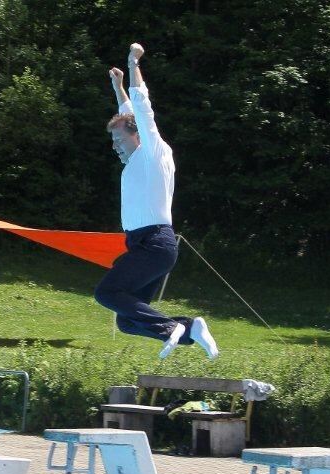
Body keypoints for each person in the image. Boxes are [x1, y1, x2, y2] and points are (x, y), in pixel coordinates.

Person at [94, 43, 219, 360]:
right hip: (145, 247)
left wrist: (133, 65)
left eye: (118, 140)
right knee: (127, 320)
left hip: (155, 243)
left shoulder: (153, 151)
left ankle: (169, 328)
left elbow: (141, 110)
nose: (115, 147)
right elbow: (128, 114)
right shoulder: (138, 156)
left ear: (137, 136)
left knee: (107, 292)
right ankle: (190, 328)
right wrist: (117, 87)